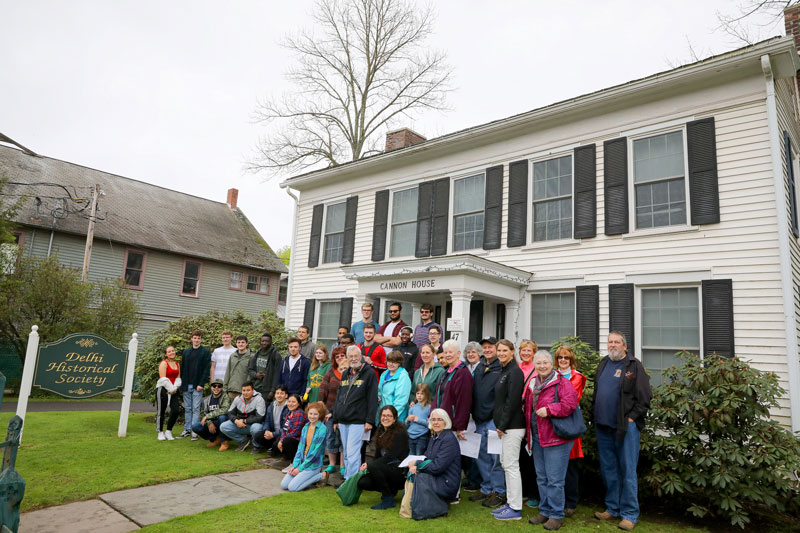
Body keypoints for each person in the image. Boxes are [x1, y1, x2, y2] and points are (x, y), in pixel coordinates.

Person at [592, 331, 651, 532]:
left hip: (625, 428)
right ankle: (612, 507)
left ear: (625, 346)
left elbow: (644, 397)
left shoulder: (634, 366)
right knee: (609, 469)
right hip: (603, 425)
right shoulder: (604, 363)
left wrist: (632, 417)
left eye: (617, 342)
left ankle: (629, 514)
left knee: (627, 470)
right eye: (610, 342)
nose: (613, 345)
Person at [524, 350, 579, 531]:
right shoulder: (533, 383)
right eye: (538, 363)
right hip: (538, 436)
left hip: (556, 437)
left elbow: (570, 404)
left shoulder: (561, 383)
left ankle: (556, 515)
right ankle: (545, 510)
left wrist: (550, 409)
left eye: (545, 363)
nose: (541, 366)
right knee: (542, 477)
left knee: (555, 479)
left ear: (551, 364)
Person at [491, 339, 526, 521]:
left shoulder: (515, 372)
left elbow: (512, 402)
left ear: (512, 352)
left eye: (505, 350)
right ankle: (510, 503)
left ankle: (515, 508)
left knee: (511, 466)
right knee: (506, 464)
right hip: (505, 427)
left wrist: (502, 425)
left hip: (512, 427)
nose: (501, 353)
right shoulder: (504, 370)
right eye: (499, 350)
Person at [332, 345, 378, 480]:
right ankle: (348, 478)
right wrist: (335, 419)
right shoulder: (345, 373)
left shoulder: (369, 373)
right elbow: (339, 397)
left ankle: (351, 482)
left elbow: (372, 397)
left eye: (356, 356)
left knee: (353, 453)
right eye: (350, 356)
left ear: (361, 357)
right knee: (346, 453)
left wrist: (370, 420)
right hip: (343, 420)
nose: (353, 359)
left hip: (358, 421)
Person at [470, 337, 505, 509]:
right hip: (479, 418)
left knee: (495, 457)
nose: (487, 350)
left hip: (493, 419)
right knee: (482, 456)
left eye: (490, 347)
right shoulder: (480, 367)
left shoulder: (501, 367)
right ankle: (486, 488)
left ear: (496, 349)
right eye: (485, 347)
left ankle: (498, 491)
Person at [554, 344, 587, 517]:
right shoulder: (551, 375)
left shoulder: (578, 377)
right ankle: (556, 501)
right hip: (554, 424)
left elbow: (570, 399)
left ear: (571, 360)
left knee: (571, 466)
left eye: (566, 358)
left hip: (570, 423)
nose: (563, 360)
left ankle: (571, 503)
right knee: (555, 465)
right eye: (560, 357)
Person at [357, 405, 410, 509]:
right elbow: (377, 455)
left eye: (389, 416)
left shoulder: (400, 432)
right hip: (385, 468)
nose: (385, 418)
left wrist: (371, 465)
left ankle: (388, 498)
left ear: (394, 419)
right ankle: (391, 490)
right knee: (363, 482)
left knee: (373, 466)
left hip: (399, 470)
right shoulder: (381, 430)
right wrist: (369, 465)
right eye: (383, 415)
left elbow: (391, 456)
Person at [407, 408, 461, 504]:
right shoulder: (435, 437)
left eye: (439, 419)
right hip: (437, 477)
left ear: (446, 422)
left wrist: (417, 463)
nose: (436, 422)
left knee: (418, 478)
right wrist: (416, 466)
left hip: (446, 483)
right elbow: (427, 458)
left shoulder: (449, 439)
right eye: (433, 419)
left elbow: (437, 467)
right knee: (413, 474)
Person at [280, 402, 328, 492]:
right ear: (307, 413)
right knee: (284, 485)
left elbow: (315, 454)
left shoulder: (322, 429)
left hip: (313, 464)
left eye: (315, 414)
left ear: (320, 415)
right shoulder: (305, 427)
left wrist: (299, 469)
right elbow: (300, 448)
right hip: (302, 461)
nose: (312, 416)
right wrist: (294, 465)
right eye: (310, 413)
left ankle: (321, 475)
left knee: (292, 488)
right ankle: (303, 476)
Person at [432, 340, 473, 439]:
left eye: (450, 352)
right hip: (441, 423)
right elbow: (438, 396)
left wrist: (460, 426)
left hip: (453, 425)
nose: (448, 355)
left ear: (458, 353)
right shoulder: (446, 372)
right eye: (446, 352)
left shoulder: (463, 373)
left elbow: (463, 401)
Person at [176, 330, 211, 440]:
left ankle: (195, 431)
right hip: (187, 384)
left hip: (197, 385)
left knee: (196, 408)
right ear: (191, 338)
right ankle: (187, 429)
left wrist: (201, 383)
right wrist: (182, 383)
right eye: (194, 338)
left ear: (201, 339)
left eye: (198, 338)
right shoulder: (186, 352)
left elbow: (206, 369)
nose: (196, 340)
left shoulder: (205, 352)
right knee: (188, 408)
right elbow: (183, 368)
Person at [319, 347, 348, 477]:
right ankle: (331, 464)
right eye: (337, 357)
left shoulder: (350, 374)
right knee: (330, 436)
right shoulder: (331, 372)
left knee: (342, 438)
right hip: (329, 412)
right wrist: (323, 410)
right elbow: (322, 390)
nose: (340, 358)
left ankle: (342, 465)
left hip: (343, 412)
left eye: (342, 355)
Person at [219, 382, 266, 452]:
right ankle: (243, 441)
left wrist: (244, 421)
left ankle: (257, 446)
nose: (245, 393)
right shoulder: (237, 399)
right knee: (223, 426)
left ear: (253, 390)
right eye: (243, 390)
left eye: (248, 390)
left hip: (254, 425)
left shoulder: (259, 399)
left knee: (256, 428)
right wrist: (236, 421)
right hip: (241, 425)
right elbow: (230, 413)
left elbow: (259, 418)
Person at [192, 379, 231, 448]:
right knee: (195, 426)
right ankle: (215, 439)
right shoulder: (206, 400)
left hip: (223, 421)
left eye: (219, 386)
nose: (216, 388)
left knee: (222, 417)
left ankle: (224, 441)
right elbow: (203, 414)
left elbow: (225, 409)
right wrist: (209, 422)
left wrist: (207, 416)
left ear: (222, 388)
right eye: (214, 386)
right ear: (211, 387)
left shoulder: (225, 397)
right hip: (212, 422)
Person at [251, 385, 289, 454]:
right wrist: (267, 430)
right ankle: (271, 447)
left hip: (282, 434)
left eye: (282, 393)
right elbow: (267, 421)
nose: (279, 395)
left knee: (276, 447)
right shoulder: (272, 405)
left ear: (286, 395)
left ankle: (274, 447)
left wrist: (273, 434)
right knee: (257, 436)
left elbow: (286, 428)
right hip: (272, 433)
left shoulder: (289, 407)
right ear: (275, 395)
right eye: (277, 393)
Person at [377, 351, 412, 423]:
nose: (390, 364)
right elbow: (379, 392)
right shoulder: (384, 374)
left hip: (395, 418)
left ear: (399, 363)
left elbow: (401, 401)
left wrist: (392, 417)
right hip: (383, 415)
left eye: (394, 362)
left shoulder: (403, 376)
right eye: (389, 361)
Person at [155, 346, 181, 441]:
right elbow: (163, 379)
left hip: (174, 390)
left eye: (173, 350)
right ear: (166, 354)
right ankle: (160, 432)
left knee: (175, 411)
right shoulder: (163, 363)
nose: (172, 352)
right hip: (163, 389)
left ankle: (168, 431)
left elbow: (178, 378)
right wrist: (171, 389)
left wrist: (175, 388)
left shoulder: (177, 364)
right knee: (161, 412)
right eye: (169, 351)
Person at [249, 333, 282, 402]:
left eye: (267, 341)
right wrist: (255, 375)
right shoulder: (257, 353)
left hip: (267, 390)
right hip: (255, 388)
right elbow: (250, 369)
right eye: (262, 341)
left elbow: (277, 374)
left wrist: (273, 391)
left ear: (271, 342)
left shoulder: (275, 355)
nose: (264, 343)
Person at [276, 394, 308, 461]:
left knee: (286, 441)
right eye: (289, 401)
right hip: (290, 437)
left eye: (293, 402)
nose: (290, 404)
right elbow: (284, 430)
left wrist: (282, 440)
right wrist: (281, 440)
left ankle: (294, 461)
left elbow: (296, 432)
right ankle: (287, 456)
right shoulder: (289, 413)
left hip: (299, 440)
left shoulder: (299, 413)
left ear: (298, 403)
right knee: (276, 443)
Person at [224, 335, 254, 400]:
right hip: (231, 389)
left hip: (243, 391)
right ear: (236, 344)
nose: (240, 344)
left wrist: (247, 389)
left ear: (246, 343)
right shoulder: (232, 356)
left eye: (243, 342)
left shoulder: (251, 357)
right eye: (239, 342)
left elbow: (251, 374)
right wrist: (225, 388)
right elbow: (227, 372)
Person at [406, 383, 432, 455]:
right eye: (418, 393)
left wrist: (418, 420)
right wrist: (407, 420)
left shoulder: (429, 408)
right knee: (411, 456)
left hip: (422, 437)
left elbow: (430, 424)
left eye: (422, 393)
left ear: (426, 394)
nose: (419, 395)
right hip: (410, 436)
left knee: (418, 457)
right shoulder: (412, 407)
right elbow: (407, 425)